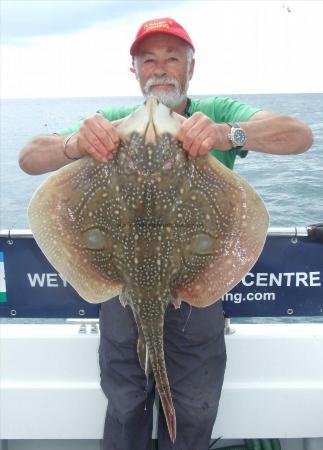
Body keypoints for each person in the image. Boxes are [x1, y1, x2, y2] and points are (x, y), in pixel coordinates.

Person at [19, 17, 312, 450]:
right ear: (134, 70)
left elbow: (300, 135)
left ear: (191, 67)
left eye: (172, 58)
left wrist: (225, 134)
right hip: (124, 288)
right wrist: (76, 145)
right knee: (125, 401)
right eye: (148, 59)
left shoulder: (219, 113)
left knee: (193, 405)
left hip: (193, 288)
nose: (160, 68)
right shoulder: (113, 121)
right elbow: (29, 157)